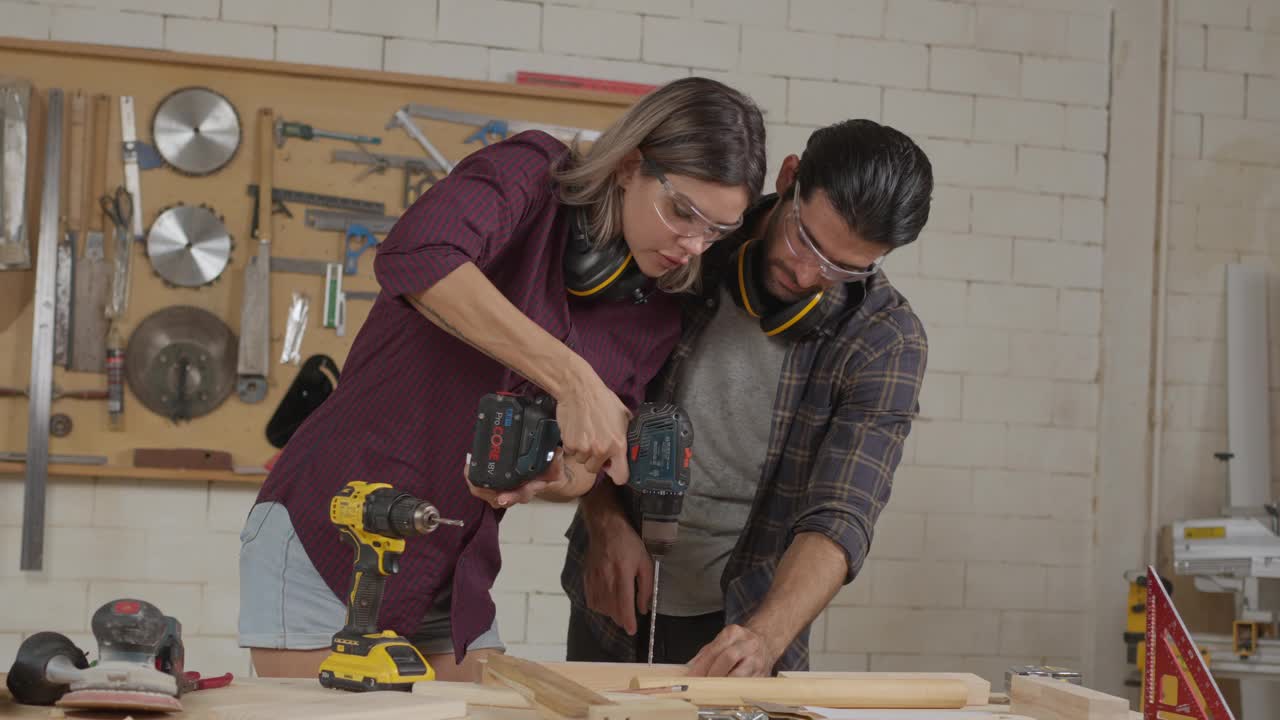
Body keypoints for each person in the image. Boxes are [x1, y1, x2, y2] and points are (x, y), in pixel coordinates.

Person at [237, 77, 768, 682]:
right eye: (683, 213)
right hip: (333, 534)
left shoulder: (653, 312)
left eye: (716, 232)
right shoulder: (530, 174)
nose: (693, 245)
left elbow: (584, 468)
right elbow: (418, 256)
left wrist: (553, 477)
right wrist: (572, 378)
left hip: (451, 562)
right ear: (628, 166)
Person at [559, 118, 933, 676]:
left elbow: (840, 515)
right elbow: (591, 392)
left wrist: (765, 635)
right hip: (615, 579)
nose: (807, 273)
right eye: (804, 239)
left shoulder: (885, 338)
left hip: (750, 613)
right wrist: (605, 523)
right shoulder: (686, 242)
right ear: (789, 178)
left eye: (841, 267)